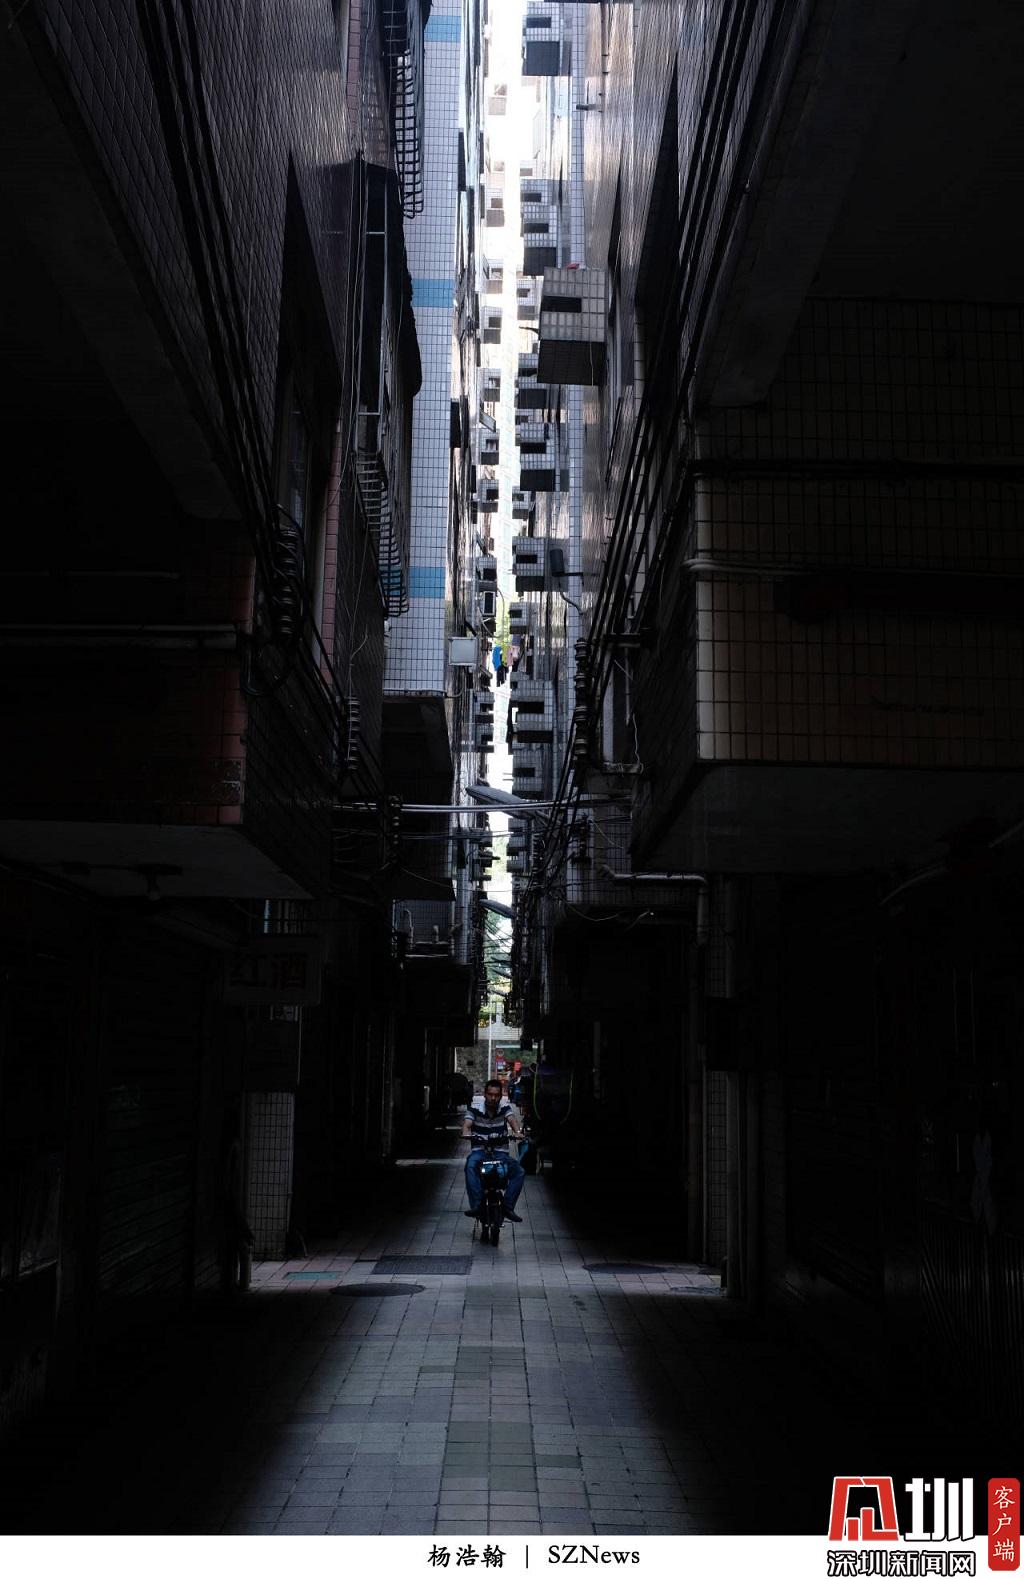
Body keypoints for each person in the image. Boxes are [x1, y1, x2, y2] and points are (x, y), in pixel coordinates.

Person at [462, 1078, 526, 1222]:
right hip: (479, 1152)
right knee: (470, 1166)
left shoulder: (505, 1108)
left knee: (519, 1172)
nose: (493, 1098)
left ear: (501, 1096)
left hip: (500, 1153)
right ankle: (477, 1205)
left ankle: (508, 1207)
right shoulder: (475, 1108)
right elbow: (467, 1124)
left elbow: (512, 1120)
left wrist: (517, 1132)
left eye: (496, 1095)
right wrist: (466, 1132)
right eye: (490, 1094)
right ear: (485, 1094)